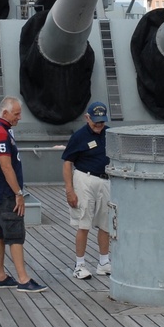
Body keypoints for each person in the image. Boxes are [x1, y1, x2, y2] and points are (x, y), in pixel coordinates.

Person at [0, 96, 47, 293]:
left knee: (0, 232)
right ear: (5, 113)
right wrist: (18, 193)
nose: (19, 118)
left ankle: (0, 276)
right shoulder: (1, 133)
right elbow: (5, 165)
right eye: (16, 114)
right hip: (6, 193)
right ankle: (23, 278)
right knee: (15, 234)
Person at [62, 101, 112, 280]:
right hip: (85, 179)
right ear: (87, 118)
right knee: (83, 223)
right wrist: (70, 190)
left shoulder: (110, 134)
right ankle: (80, 264)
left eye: (102, 122)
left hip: (105, 180)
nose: (99, 125)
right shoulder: (79, 136)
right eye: (96, 122)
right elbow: (67, 163)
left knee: (106, 223)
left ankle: (104, 262)